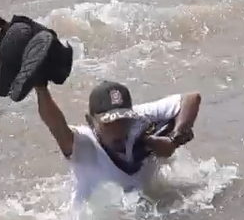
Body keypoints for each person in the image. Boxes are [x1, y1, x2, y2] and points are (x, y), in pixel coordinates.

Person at [34, 80, 201, 209]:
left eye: (122, 120)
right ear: (90, 121)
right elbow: (55, 125)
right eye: (108, 123)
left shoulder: (139, 119)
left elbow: (191, 99)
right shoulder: (83, 144)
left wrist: (173, 140)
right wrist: (41, 88)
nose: (118, 130)